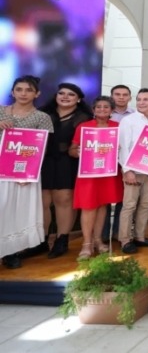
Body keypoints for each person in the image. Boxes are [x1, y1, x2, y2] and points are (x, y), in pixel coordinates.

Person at [0, 76, 55, 269]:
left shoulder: (42, 117)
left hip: (24, 173)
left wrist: (29, 172)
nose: (23, 93)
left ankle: (10, 251)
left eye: (28, 90)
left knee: (18, 211)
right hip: (0, 170)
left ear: (37, 93)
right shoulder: (0, 111)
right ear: (12, 92)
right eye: (19, 89)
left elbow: (42, 149)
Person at [39, 83, 93, 259]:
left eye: (71, 94)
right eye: (61, 93)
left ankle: (62, 240)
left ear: (78, 99)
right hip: (42, 162)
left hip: (67, 162)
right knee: (42, 201)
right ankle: (41, 241)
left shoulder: (84, 117)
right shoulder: (43, 114)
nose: (65, 96)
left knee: (64, 199)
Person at [69, 96, 124, 259]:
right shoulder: (83, 127)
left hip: (108, 173)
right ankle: (86, 243)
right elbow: (72, 149)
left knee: (102, 206)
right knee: (88, 206)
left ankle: (98, 240)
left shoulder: (118, 127)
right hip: (89, 173)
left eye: (106, 107)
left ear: (112, 111)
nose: (102, 110)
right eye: (98, 107)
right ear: (93, 110)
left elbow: (125, 148)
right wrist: (77, 152)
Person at [117, 89, 148, 255]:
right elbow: (123, 147)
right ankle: (124, 240)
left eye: (146, 99)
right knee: (129, 205)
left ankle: (140, 237)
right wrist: (127, 170)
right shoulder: (128, 121)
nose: (141, 102)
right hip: (133, 171)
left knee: (146, 204)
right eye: (139, 99)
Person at [102, 84, 135, 245]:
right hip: (104, 161)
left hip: (128, 162)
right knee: (105, 196)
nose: (121, 97)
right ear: (112, 96)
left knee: (124, 197)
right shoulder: (104, 113)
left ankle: (118, 232)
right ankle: (103, 232)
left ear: (130, 97)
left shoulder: (136, 115)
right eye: (117, 94)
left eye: (125, 94)